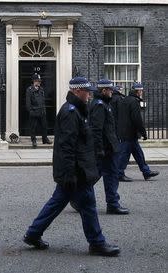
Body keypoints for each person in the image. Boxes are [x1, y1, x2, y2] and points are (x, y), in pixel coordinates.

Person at [23, 76, 120, 257]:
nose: (90, 95)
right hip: (76, 170)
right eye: (86, 92)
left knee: (57, 202)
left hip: (77, 168)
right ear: (76, 91)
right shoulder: (70, 112)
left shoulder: (78, 110)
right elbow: (66, 146)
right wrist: (69, 173)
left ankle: (33, 233)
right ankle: (97, 242)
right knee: (88, 204)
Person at [89, 79, 128, 214]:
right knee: (109, 175)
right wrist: (99, 149)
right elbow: (96, 129)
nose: (112, 91)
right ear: (104, 90)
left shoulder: (105, 103)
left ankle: (77, 197)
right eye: (110, 89)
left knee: (99, 175)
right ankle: (112, 204)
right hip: (106, 149)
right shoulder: (100, 105)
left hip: (109, 147)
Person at [117, 82, 159, 181]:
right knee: (124, 155)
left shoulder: (125, 100)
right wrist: (143, 133)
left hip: (126, 132)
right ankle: (119, 173)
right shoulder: (134, 102)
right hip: (129, 133)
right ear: (138, 91)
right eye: (141, 91)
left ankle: (146, 172)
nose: (141, 93)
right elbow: (137, 119)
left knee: (138, 153)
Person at [26, 73, 52, 148]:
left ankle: (45, 139)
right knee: (33, 127)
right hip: (34, 111)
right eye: (38, 81)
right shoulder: (29, 90)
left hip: (41, 111)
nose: (39, 82)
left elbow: (42, 100)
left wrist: (44, 109)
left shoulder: (41, 89)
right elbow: (28, 102)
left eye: (40, 81)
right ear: (34, 81)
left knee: (44, 126)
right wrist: (30, 111)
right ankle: (34, 141)